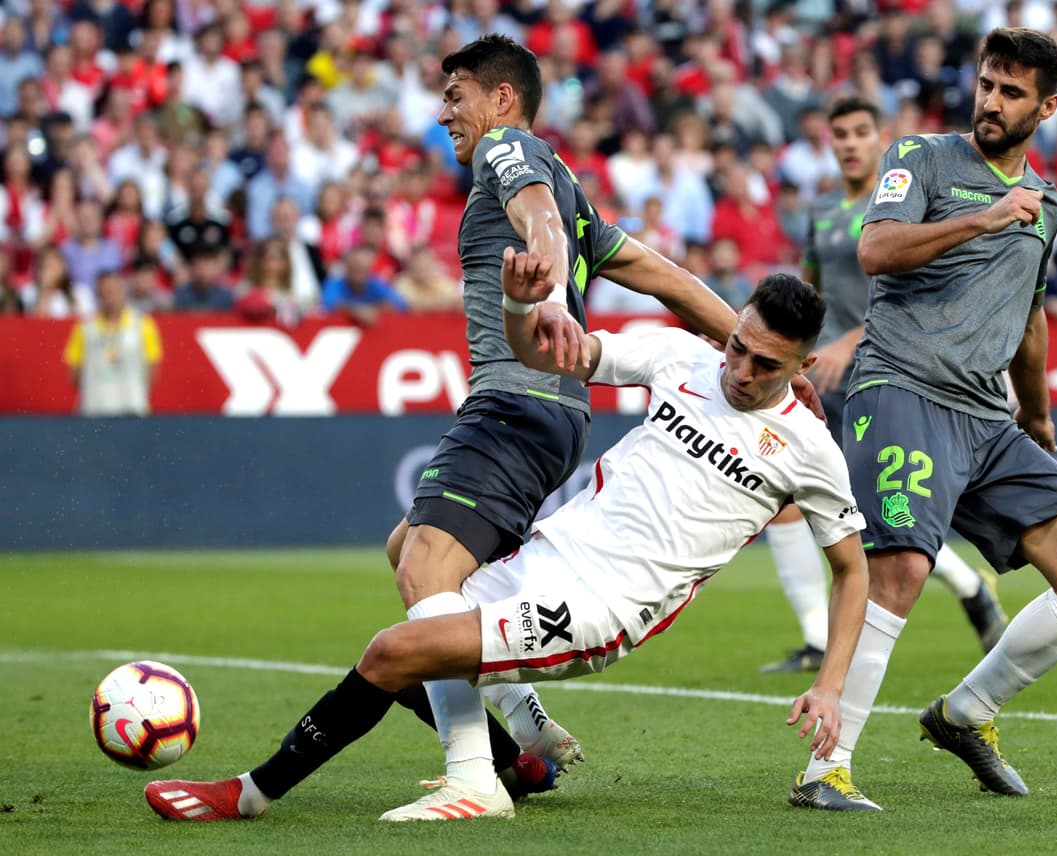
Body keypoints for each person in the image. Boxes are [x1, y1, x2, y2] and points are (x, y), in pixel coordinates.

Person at [144, 272, 869, 823]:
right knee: (413, 588)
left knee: (395, 654)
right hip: (545, 560)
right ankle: (514, 762)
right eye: (737, 347)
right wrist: (525, 309)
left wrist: (830, 684)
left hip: (600, 607)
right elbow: (552, 354)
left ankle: (255, 794)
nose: (740, 372)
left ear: (801, 366)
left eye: (765, 366)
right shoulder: (681, 357)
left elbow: (851, 570)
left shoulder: (808, 449)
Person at [377, 34, 787, 820]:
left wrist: (553, 300)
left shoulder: (510, 151)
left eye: (455, 94)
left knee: (423, 574)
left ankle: (472, 778)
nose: (443, 113)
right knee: (411, 553)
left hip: (518, 399)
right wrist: (757, 349)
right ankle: (527, 724)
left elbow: (540, 228)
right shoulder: (570, 184)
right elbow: (663, 276)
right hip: (558, 411)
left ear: (502, 98)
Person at [788, 28, 1057, 813]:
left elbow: (1032, 317)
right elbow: (875, 250)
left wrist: (1037, 416)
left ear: (1047, 106)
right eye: (986, 85)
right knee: (902, 567)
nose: (991, 102)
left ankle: (965, 713)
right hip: (902, 386)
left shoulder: (1044, 207)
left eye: (1012, 93)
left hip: (988, 416)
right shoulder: (923, 158)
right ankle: (824, 770)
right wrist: (984, 219)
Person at [761, 95, 1008, 675]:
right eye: (839, 133)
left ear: (881, 138)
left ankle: (971, 587)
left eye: (859, 132)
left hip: (888, 368)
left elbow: (921, 287)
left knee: (879, 516)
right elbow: (813, 293)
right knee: (790, 501)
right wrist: (800, 352)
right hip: (826, 377)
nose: (848, 143)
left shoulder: (904, 200)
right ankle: (817, 639)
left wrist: (853, 338)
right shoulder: (822, 210)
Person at [64, 270, 162, 416]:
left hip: (132, 410)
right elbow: (75, 375)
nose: (110, 298)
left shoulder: (142, 325)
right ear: (98, 295)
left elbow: (152, 370)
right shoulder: (85, 328)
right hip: (95, 412)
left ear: (123, 292)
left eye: (114, 291)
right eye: (105, 293)